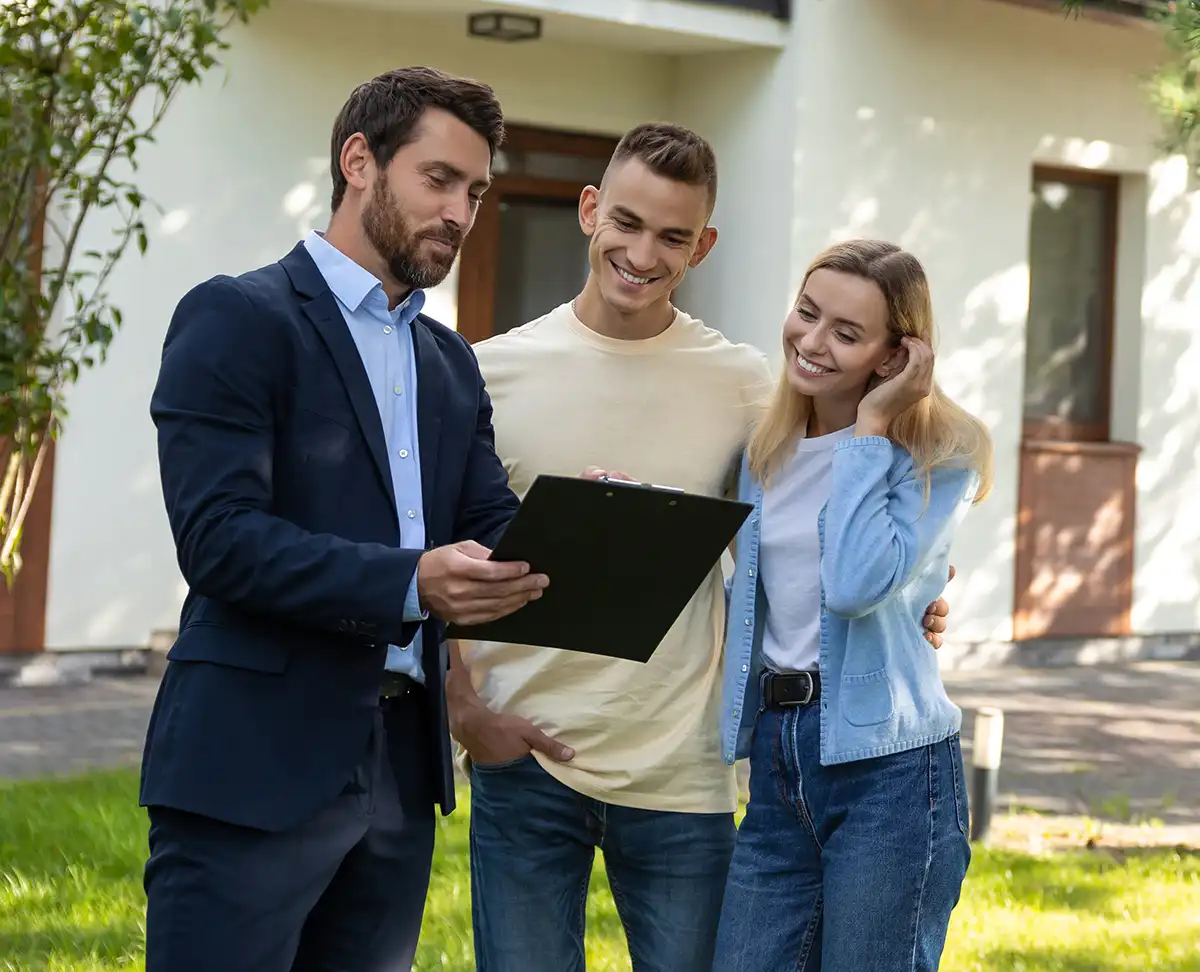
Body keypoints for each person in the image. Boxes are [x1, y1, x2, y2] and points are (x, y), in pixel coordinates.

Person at [448, 126, 954, 972]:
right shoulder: (487, 372)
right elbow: (442, 555)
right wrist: (465, 713)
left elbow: (833, 519)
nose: (643, 253)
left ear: (702, 246)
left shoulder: (750, 385)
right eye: (628, 223)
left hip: (683, 768)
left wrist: (919, 594)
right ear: (589, 211)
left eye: (673, 236)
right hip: (525, 758)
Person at [140, 67, 547, 972]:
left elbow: (492, 524)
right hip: (252, 760)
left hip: (400, 773)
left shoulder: (449, 362)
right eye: (437, 180)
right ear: (358, 161)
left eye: (475, 192)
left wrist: (589, 516)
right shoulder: (238, 317)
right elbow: (220, 540)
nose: (460, 212)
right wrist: (409, 582)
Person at [714, 239, 993, 972]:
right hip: (780, 758)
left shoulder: (942, 453)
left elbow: (855, 584)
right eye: (807, 314)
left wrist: (870, 430)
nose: (811, 342)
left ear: (895, 356)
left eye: (846, 333)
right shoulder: (764, 450)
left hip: (891, 773)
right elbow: (761, 597)